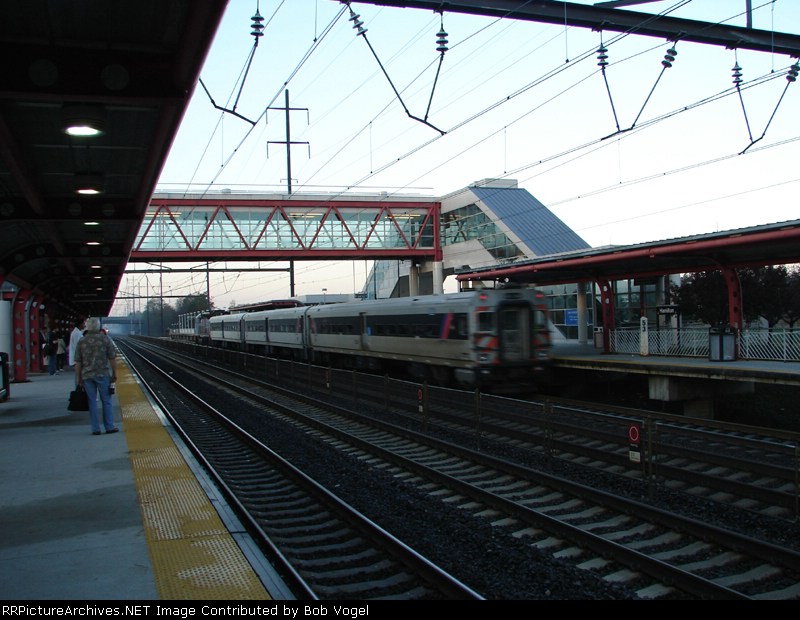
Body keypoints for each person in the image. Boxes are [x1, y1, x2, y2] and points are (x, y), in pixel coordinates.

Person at [74, 317, 118, 435]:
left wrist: (78, 378)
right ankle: (109, 426)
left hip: (87, 376)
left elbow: (78, 362)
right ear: (98, 327)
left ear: (88, 327)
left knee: (92, 402)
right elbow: (112, 358)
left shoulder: (82, 341)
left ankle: (95, 428)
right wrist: (114, 373)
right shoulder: (105, 339)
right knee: (106, 401)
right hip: (102, 374)